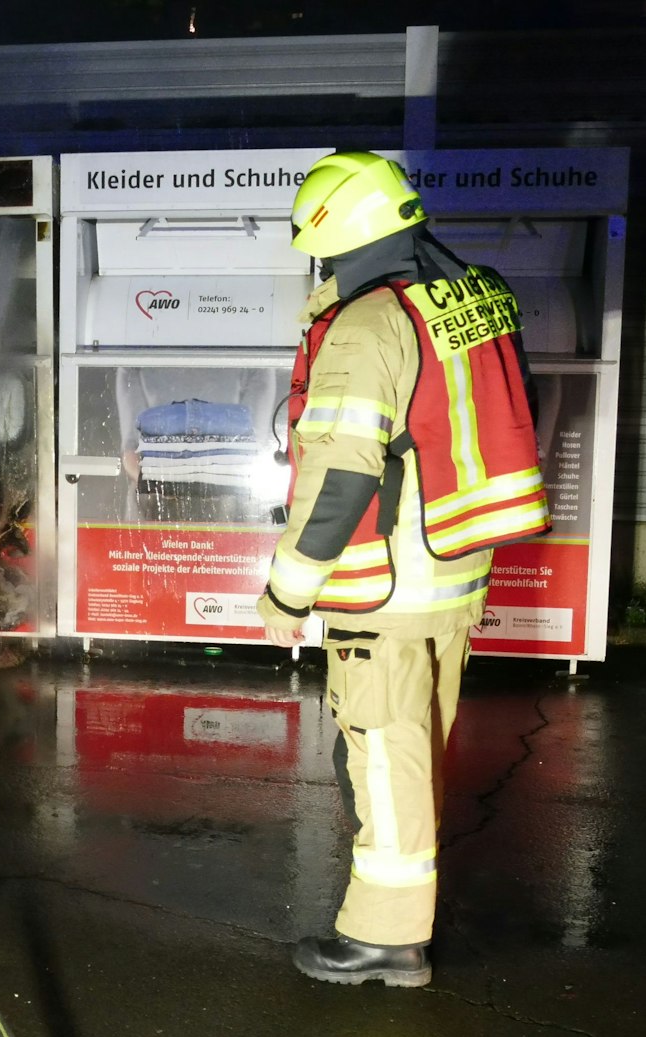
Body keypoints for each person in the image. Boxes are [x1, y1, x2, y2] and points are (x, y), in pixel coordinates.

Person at [258, 152, 550, 987]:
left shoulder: (367, 323)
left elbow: (343, 473)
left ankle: (386, 937)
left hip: (385, 584)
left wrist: (289, 588)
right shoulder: (472, 289)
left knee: (384, 758)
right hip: (454, 573)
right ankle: (401, 912)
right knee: (416, 749)